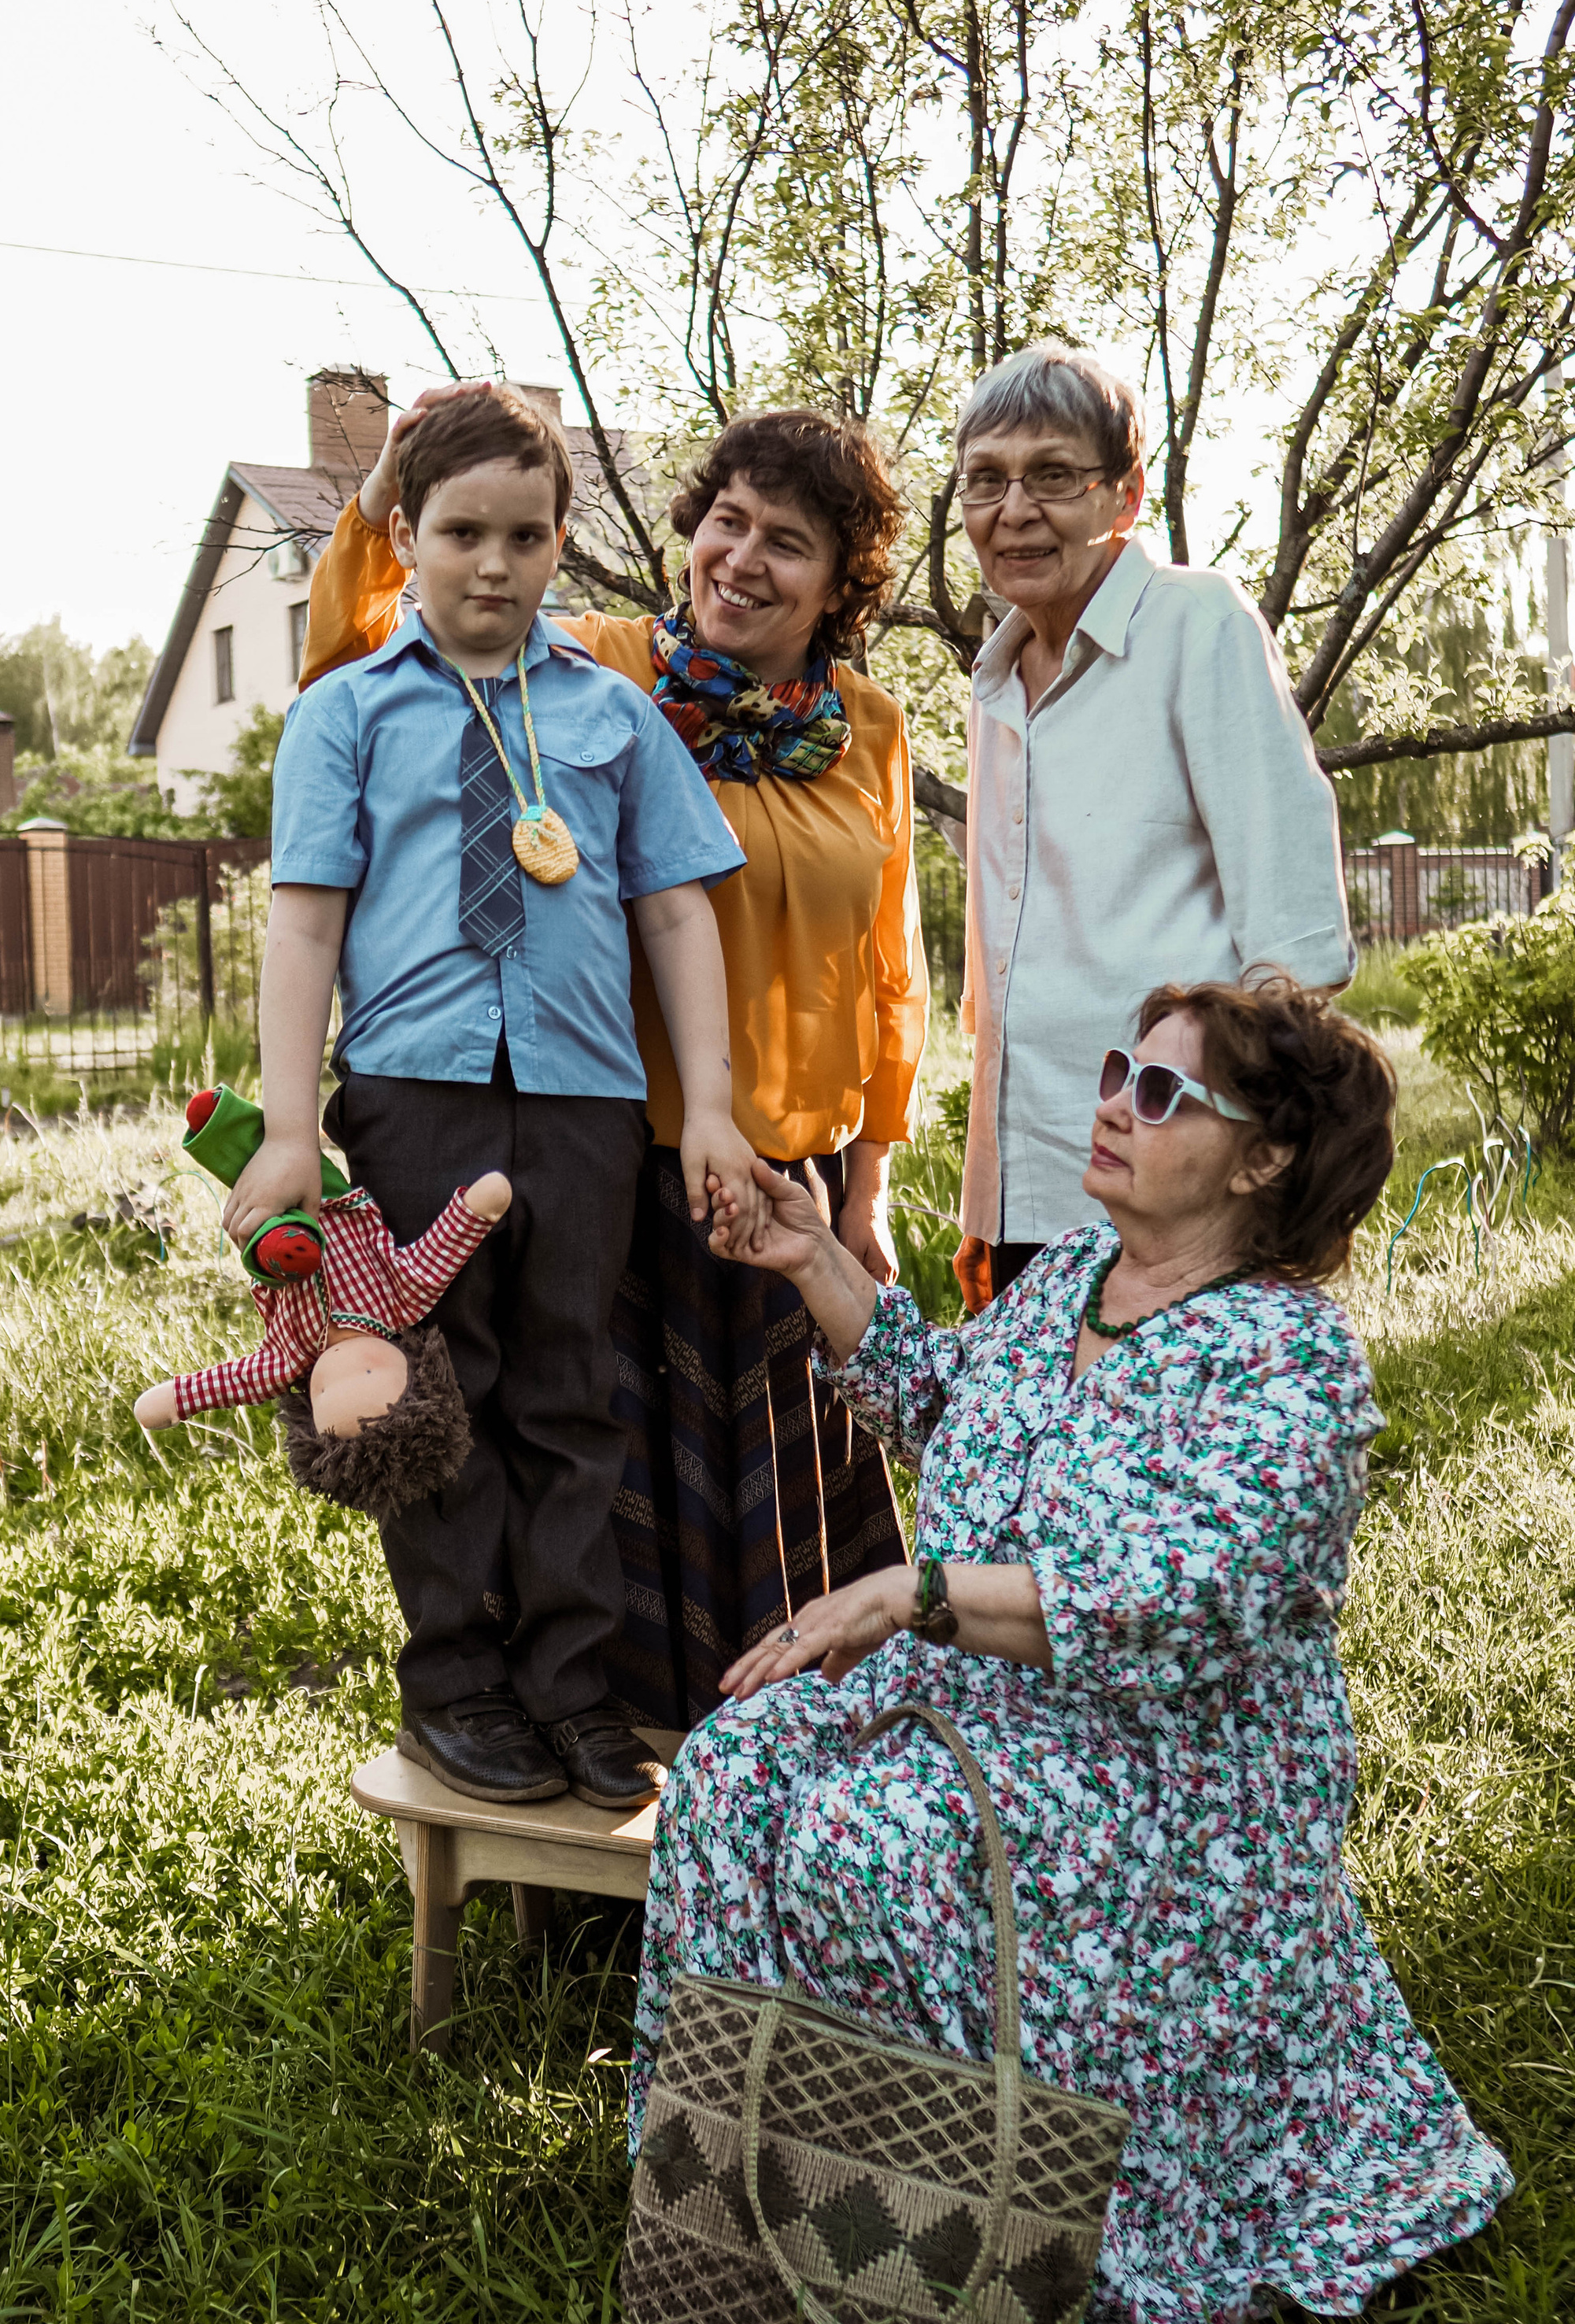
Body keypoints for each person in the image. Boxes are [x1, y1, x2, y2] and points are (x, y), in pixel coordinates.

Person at [633, 973, 1511, 2324]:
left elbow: (1171, 1594)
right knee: (732, 1771)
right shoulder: (1069, 1281)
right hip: (980, 1699)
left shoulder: (1289, 1359)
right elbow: (942, 1402)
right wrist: (813, 1258)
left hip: (1170, 1774)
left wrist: (912, 1593)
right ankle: (737, 2251)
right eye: (1118, 1070)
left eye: (1161, 1091)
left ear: (1264, 1157)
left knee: (870, 1843)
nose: (1113, 1102)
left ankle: (965, 2281)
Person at [301, 388, 930, 1729]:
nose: (741, 559)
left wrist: (868, 1180)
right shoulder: (601, 663)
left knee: (773, 1514)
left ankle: (781, 1771)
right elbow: (370, 648)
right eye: (726, 521)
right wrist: (384, 494)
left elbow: (892, 969)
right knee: (584, 1444)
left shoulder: (870, 730)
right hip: (616, 1147)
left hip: (785, 1174)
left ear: (840, 583)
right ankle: (572, 1741)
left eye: (787, 542)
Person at [242, 382, 761, 1812]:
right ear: (405, 534)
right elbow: (303, 926)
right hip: (415, 1098)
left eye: (525, 536)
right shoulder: (344, 715)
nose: (493, 563)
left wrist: (710, 1107)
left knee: (571, 1395)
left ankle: (573, 1688)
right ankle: (457, 1683)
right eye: (462, 532)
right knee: (431, 1392)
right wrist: (289, 1129)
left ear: (559, 545)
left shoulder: (615, 715)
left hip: (584, 1104)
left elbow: (677, 914)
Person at [950, 342, 1354, 1312]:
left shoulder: (1195, 622)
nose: (1014, 509)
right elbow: (1003, 975)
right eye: (986, 479)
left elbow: (1294, 941)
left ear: (1125, 495)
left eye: (1053, 475)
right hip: (1032, 1195)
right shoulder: (995, 680)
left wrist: (1240, 1184)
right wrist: (987, 1203)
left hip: (1177, 1206)